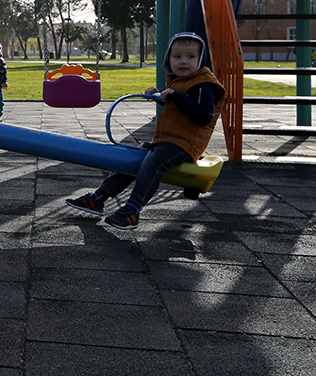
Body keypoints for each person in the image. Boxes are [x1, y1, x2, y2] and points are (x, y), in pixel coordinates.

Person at [65, 32, 225, 230]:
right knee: (131, 160)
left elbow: (203, 116)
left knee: (153, 164)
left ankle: (132, 210)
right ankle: (98, 198)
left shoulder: (203, 85)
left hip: (184, 145)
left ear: (200, 60)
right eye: (177, 57)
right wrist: (159, 95)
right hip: (166, 141)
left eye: (190, 57)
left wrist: (175, 97)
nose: (183, 62)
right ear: (169, 59)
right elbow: (179, 104)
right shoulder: (181, 82)